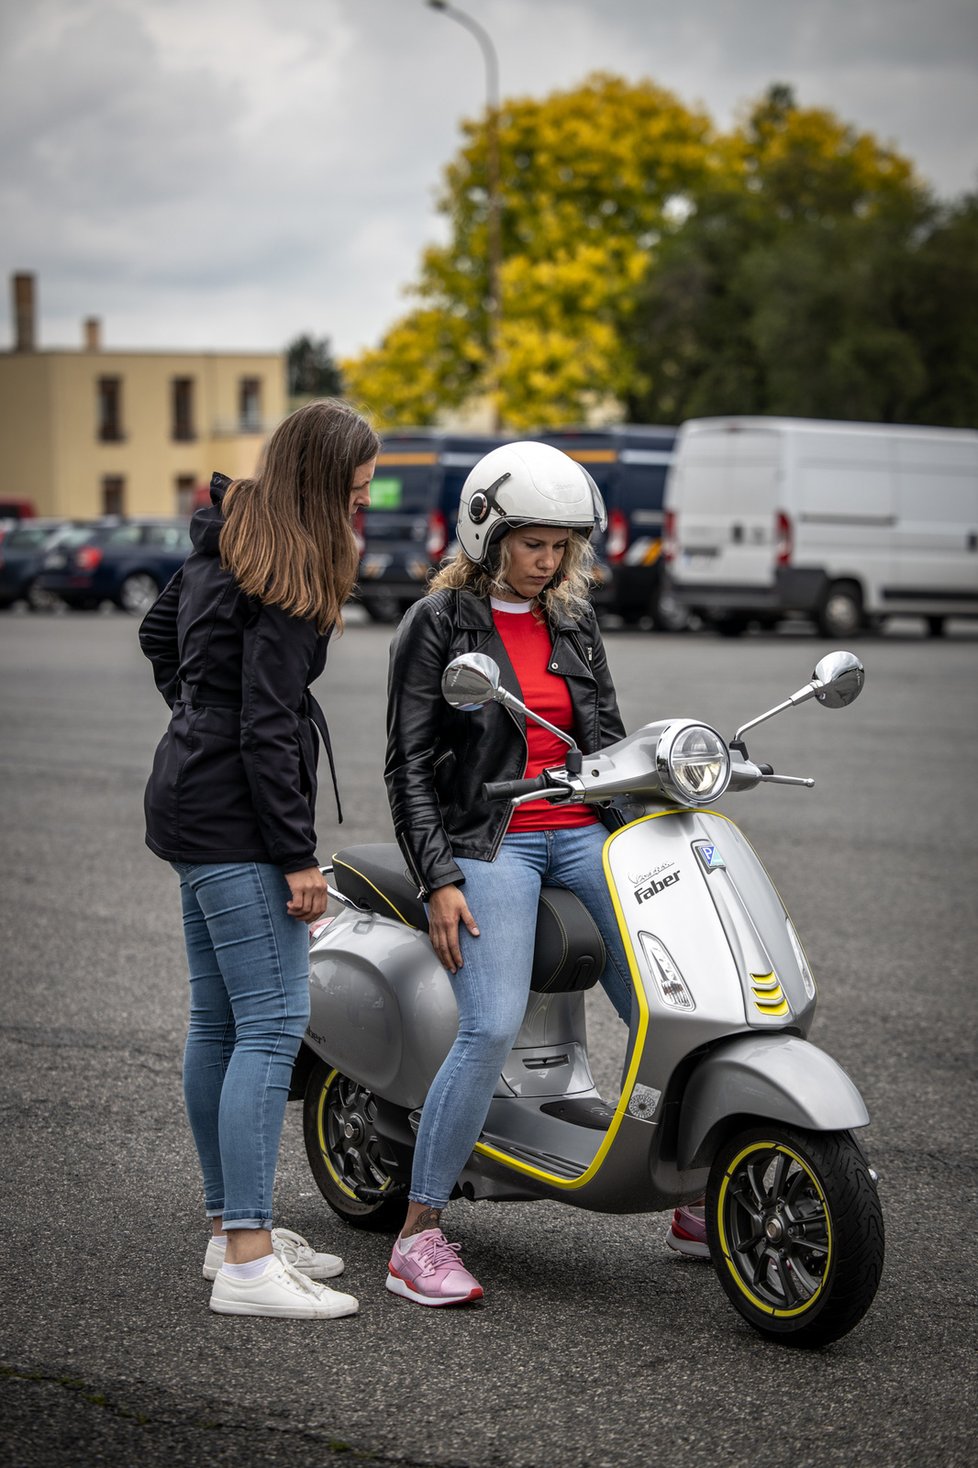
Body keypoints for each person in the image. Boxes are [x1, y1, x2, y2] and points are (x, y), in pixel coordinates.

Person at [383, 440, 706, 1307]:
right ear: (486, 531)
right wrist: (439, 875)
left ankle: (692, 1192)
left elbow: (605, 741)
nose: (550, 561)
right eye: (534, 543)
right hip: (495, 839)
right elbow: (408, 766)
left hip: (585, 834)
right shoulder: (438, 623)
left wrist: (661, 806)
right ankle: (418, 1235)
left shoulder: (573, 619)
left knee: (672, 1001)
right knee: (488, 1025)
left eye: (562, 546)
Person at [139, 398, 379, 1319]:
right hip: (235, 819)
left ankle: (228, 1236)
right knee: (274, 1021)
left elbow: (160, 639)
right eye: (356, 486)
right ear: (322, 481)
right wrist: (298, 857)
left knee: (221, 1018)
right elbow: (270, 727)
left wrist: (197, 713)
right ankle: (247, 1258)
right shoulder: (288, 570)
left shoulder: (231, 532)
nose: (364, 501)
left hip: (188, 795)